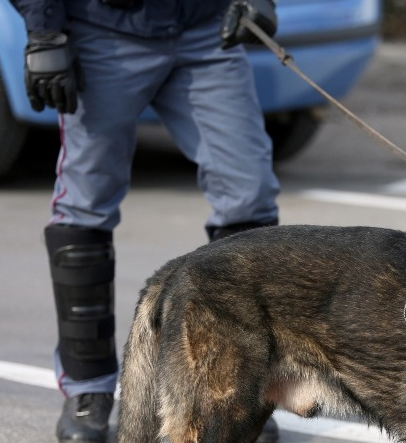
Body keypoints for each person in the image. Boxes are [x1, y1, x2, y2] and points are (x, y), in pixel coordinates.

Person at [10, 0, 281, 442]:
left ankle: (239, 392)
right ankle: (87, 391)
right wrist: (45, 34)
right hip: (101, 30)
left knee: (249, 196)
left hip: (204, 29)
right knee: (85, 203)